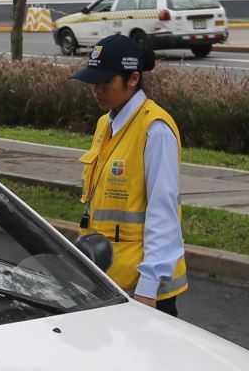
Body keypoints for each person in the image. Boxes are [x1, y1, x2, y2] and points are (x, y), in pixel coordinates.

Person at [71, 35, 187, 315]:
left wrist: (148, 291)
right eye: (92, 83)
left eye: (105, 82)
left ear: (133, 79)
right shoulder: (105, 123)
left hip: (140, 292)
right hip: (104, 281)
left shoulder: (155, 129)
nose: (96, 90)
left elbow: (163, 213)